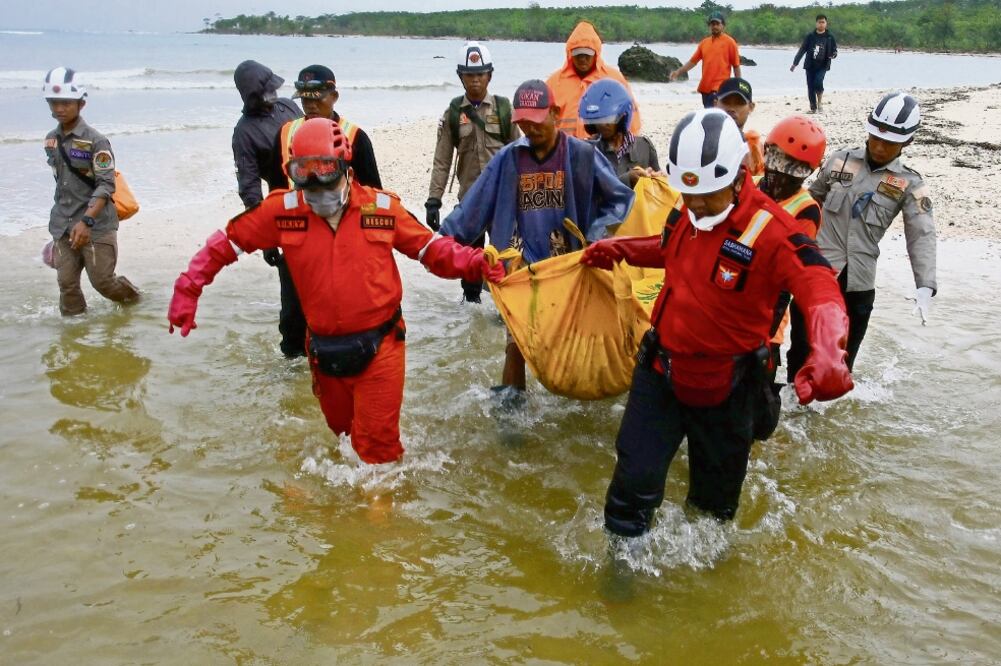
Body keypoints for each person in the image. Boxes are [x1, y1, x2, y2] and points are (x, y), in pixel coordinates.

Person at [580, 108, 853, 536]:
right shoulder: (686, 209)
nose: (696, 206)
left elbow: (819, 286)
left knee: (713, 512)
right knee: (631, 489)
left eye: (708, 195)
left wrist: (828, 347)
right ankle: (619, 583)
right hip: (661, 372)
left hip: (729, 389)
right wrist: (622, 250)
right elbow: (669, 247)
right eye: (688, 195)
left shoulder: (774, 230)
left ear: (741, 174)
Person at [167, 119, 504, 465]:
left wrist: (479, 263)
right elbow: (226, 243)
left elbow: (434, 251)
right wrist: (188, 288)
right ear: (293, 174)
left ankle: (382, 515)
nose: (319, 196)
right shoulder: (282, 212)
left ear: (346, 168)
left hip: (381, 347)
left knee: (378, 454)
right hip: (324, 352)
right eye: (307, 186)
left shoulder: (381, 210)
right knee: (344, 438)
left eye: (326, 181)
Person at [439, 79, 634, 401]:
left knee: (578, 341)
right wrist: (437, 243)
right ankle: (510, 417)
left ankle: (582, 398)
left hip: (570, 267)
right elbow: (473, 207)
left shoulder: (582, 155)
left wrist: (597, 235)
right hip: (521, 269)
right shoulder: (508, 159)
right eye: (523, 121)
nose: (530, 127)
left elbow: (619, 200)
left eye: (537, 118)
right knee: (516, 343)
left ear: (556, 113)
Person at [801, 92, 936, 374]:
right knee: (801, 353)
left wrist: (925, 284)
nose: (879, 146)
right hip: (818, 274)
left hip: (858, 284)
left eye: (889, 143)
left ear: (907, 142)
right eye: (876, 137)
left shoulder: (909, 184)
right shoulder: (839, 161)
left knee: (840, 368)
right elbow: (808, 203)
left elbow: (921, 233)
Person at [270, 64, 383, 358]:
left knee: (342, 315)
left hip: (343, 244)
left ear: (334, 96)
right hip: (296, 241)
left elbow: (374, 194)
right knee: (293, 319)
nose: (310, 105)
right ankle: (293, 383)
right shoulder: (285, 134)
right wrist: (270, 238)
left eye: (317, 98)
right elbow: (275, 188)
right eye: (304, 99)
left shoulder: (355, 137)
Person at [425, 41, 521, 303]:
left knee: (506, 258)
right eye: (469, 75)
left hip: (504, 201)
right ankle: (472, 311)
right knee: (470, 261)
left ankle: (507, 310)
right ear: (461, 77)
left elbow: (521, 154)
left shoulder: (504, 110)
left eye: (480, 74)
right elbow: (442, 159)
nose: (475, 81)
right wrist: (434, 200)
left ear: (489, 75)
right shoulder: (453, 113)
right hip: (470, 201)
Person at [42, 67, 140, 316]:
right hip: (63, 224)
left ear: (81, 103)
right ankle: (75, 333)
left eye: (65, 102)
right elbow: (61, 183)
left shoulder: (96, 141)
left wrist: (86, 221)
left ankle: (137, 303)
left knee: (103, 283)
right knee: (66, 284)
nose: (59, 109)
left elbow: (106, 184)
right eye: (54, 103)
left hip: (96, 225)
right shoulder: (50, 141)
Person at [754, 116, 827, 388]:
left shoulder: (806, 209)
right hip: (729, 306)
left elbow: (790, 276)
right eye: (777, 160)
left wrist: (767, 331)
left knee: (755, 400)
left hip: (768, 315)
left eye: (793, 168)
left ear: (806, 172)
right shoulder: (746, 186)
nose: (781, 173)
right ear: (768, 154)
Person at [545, 20, 642, 139]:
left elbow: (631, 116)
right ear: (570, 54)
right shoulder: (554, 82)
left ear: (596, 53)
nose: (582, 58)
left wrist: (630, 147)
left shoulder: (614, 79)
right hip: (564, 151)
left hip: (602, 150)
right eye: (578, 54)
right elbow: (542, 122)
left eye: (587, 54)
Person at [231, 60, 302, 210]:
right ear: (252, 96)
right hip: (285, 199)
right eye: (268, 90)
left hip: (319, 187)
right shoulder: (244, 133)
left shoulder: (288, 105)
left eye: (273, 87)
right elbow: (249, 185)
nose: (274, 92)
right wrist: (258, 218)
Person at [579, 78, 660, 188]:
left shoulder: (644, 146)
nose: (603, 125)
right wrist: (627, 179)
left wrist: (655, 178)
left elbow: (659, 190)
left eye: (608, 119)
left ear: (623, 115)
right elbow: (583, 192)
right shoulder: (585, 151)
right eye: (598, 120)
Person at [670, 10, 742, 108]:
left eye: (717, 24)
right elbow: (693, 62)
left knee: (714, 115)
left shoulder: (730, 42)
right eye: (712, 24)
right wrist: (678, 72)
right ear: (709, 26)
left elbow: (736, 66)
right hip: (705, 88)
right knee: (708, 114)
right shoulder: (704, 43)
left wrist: (739, 86)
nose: (715, 26)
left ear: (723, 25)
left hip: (720, 88)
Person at [715, 77, 763, 176]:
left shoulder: (756, 148)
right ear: (715, 104)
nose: (731, 108)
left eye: (739, 103)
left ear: (751, 107)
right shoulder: (702, 143)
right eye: (726, 102)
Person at [790, 14, 838, 114]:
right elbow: (802, 49)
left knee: (818, 82)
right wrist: (795, 63)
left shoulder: (830, 37)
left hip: (823, 65)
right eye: (819, 22)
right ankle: (813, 108)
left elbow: (835, 51)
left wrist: (833, 55)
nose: (821, 24)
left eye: (823, 22)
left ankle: (820, 103)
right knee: (810, 86)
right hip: (810, 65)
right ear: (816, 23)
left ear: (826, 23)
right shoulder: (810, 36)